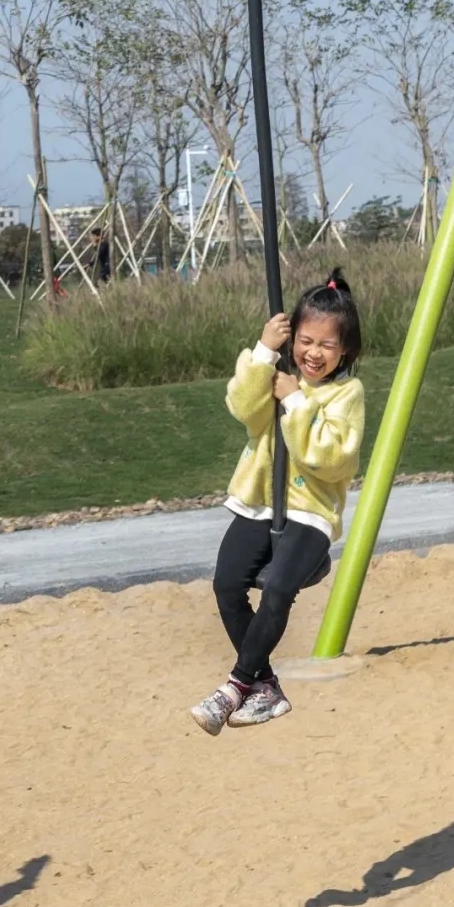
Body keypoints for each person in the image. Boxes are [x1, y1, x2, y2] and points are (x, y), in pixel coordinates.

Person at [190, 270, 365, 735]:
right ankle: (265, 686)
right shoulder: (278, 374)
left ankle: (234, 686)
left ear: (344, 349)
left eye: (327, 345)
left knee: (279, 589)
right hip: (259, 499)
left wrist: (297, 404)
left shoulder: (348, 393)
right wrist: (264, 351)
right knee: (227, 585)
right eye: (305, 341)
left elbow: (331, 459)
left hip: (310, 511)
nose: (313, 353)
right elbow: (243, 409)